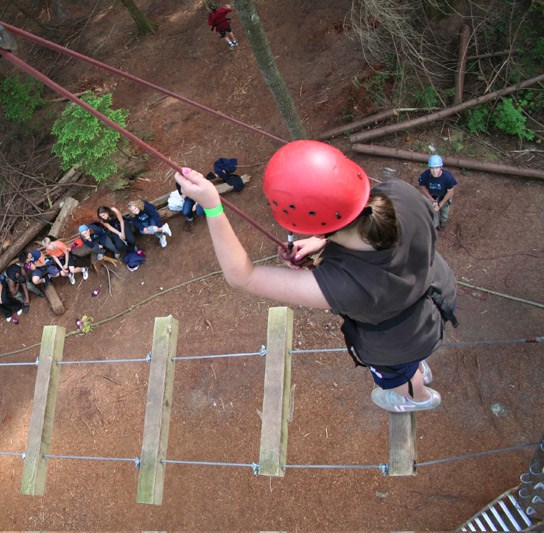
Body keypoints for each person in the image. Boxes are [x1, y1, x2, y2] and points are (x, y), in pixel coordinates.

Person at [174, 140, 458, 413]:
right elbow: (364, 219)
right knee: (411, 361)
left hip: (399, 341)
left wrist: (212, 205)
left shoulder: (340, 286)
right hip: (437, 292)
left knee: (397, 375)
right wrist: (322, 241)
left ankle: (417, 397)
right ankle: (417, 368)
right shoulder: (402, 194)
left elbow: (242, 276)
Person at [417, 154, 457, 231]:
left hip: (444, 196)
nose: (434, 171)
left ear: (441, 167)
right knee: (433, 211)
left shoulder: (448, 177)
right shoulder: (425, 176)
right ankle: (434, 226)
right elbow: (422, 187)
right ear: (429, 168)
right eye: (432, 168)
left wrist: (440, 204)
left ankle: (443, 222)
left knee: (444, 212)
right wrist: (432, 200)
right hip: (432, 196)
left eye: (437, 168)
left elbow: (450, 192)